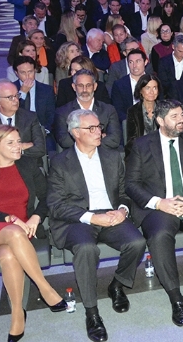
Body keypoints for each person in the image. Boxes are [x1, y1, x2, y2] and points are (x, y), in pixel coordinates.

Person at [0, 126, 67, 342]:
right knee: (15, 233)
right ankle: (45, 288)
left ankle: (17, 313)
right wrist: (10, 218)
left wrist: (36, 216)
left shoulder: (27, 164)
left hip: (21, 228)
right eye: (11, 143)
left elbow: (47, 196)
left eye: (19, 141)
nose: (18, 146)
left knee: (8, 254)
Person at [46, 110, 147, 342]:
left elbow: (123, 193)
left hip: (110, 214)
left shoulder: (113, 156)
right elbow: (56, 205)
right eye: (91, 128)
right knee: (86, 249)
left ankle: (117, 285)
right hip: (78, 218)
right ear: (75, 133)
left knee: (137, 242)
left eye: (99, 127)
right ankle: (92, 313)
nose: (98, 132)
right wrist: (91, 217)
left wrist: (122, 210)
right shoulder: (60, 162)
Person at [124, 99, 183, 327]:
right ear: (160, 120)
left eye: (182, 115)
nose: (182, 120)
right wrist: (159, 203)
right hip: (161, 206)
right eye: (175, 116)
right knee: (159, 236)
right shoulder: (141, 145)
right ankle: (175, 297)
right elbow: (131, 184)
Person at [0, 79, 47, 161]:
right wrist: (22, 146)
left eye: (17, 95)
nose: (16, 100)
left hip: (28, 165)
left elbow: (40, 149)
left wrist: (6, 150)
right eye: (10, 97)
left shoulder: (30, 117)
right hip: (0, 167)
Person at [54, 70, 123, 151]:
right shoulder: (63, 112)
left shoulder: (108, 110)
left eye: (88, 85)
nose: (84, 90)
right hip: (75, 159)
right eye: (80, 85)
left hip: (104, 157)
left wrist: (81, 139)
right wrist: (99, 137)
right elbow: (64, 141)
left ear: (95, 86)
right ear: (74, 87)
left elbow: (114, 140)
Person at [12, 56, 56, 141]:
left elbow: (51, 114)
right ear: (16, 73)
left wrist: (45, 130)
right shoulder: (11, 89)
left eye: (30, 72)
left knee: (51, 151)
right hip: (18, 132)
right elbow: (12, 112)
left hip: (42, 131)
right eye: (23, 73)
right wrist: (22, 93)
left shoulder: (47, 90)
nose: (28, 76)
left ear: (35, 70)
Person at [110, 49, 149, 122]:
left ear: (145, 62)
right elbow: (118, 109)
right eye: (131, 62)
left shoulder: (153, 82)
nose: (134, 66)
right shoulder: (119, 84)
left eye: (138, 61)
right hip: (129, 123)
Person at [125, 74, 162, 152]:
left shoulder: (164, 109)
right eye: (147, 88)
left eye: (155, 88)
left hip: (162, 151)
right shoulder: (133, 111)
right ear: (141, 91)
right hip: (141, 152)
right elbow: (131, 141)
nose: (152, 92)